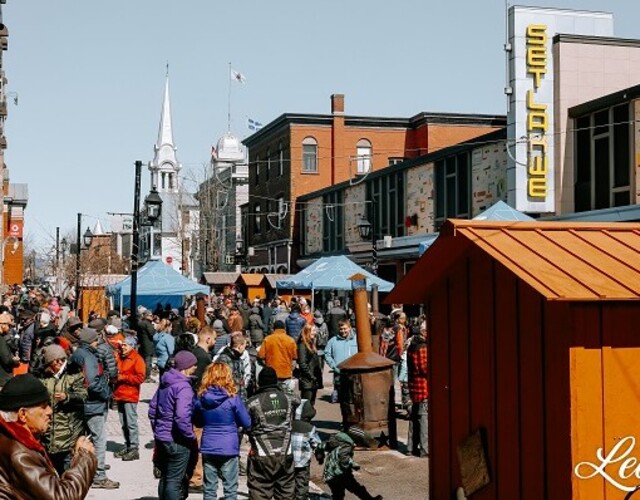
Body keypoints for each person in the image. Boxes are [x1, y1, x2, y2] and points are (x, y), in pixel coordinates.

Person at [0, 373, 97, 498]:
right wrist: (84, 457)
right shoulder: (20, 455)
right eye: (44, 407)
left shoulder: (11, 437)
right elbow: (63, 497)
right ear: (23, 414)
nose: (50, 411)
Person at [68, 327, 119, 489]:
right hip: (92, 403)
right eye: (97, 340)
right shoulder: (88, 357)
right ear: (91, 341)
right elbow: (91, 382)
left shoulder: (77, 354)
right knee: (99, 439)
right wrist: (107, 393)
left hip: (80, 402)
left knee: (83, 438)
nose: (98, 343)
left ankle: (88, 468)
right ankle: (99, 475)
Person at [193, 362, 251, 500]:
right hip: (228, 446)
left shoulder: (202, 399)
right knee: (230, 489)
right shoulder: (233, 399)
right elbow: (247, 422)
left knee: (209, 489)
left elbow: (197, 421)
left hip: (209, 445)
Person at [149, 350, 198, 500]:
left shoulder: (166, 382)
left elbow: (152, 410)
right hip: (177, 439)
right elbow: (182, 416)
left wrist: (157, 430)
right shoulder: (183, 387)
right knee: (174, 480)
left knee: (166, 476)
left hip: (163, 437)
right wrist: (190, 435)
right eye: (193, 365)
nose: (195, 368)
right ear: (186, 366)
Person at [245, 367, 299, 500]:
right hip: (286, 451)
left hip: (261, 453)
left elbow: (244, 421)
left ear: (259, 382)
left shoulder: (252, 402)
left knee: (259, 489)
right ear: (275, 381)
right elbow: (298, 401)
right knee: (286, 491)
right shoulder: (288, 399)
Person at [38, 344, 87, 475]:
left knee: (67, 473)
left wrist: (68, 397)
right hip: (49, 434)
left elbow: (83, 396)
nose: (60, 362)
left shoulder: (74, 374)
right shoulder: (43, 376)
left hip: (68, 432)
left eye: (62, 359)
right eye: (55, 360)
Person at [321, 431, 382, 500]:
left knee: (340, 493)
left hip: (331, 473)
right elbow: (343, 458)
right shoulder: (347, 445)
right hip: (339, 473)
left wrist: (319, 455)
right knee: (355, 488)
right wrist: (353, 464)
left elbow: (321, 445)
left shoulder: (337, 442)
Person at [113, 335, 146, 461]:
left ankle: (134, 447)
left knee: (131, 422)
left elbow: (140, 377)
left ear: (132, 346)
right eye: (122, 345)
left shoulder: (137, 359)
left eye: (125, 345)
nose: (123, 347)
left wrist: (123, 377)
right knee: (123, 423)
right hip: (120, 393)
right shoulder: (120, 356)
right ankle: (127, 445)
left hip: (130, 395)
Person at [291, 399, 321, 500]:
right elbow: (316, 443)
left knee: (289, 482)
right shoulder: (309, 428)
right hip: (302, 462)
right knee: (302, 483)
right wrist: (319, 455)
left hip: (288, 461)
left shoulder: (288, 425)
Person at [406, 321, 428, 457]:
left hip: (414, 387)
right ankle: (425, 450)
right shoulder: (423, 347)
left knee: (414, 419)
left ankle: (410, 448)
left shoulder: (412, 346)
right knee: (424, 420)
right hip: (424, 388)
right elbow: (425, 369)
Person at [324, 319, 358, 405]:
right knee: (343, 398)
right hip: (339, 372)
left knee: (354, 395)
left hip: (354, 372)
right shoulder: (333, 341)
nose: (343, 331)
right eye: (341, 329)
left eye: (345, 329)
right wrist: (334, 365)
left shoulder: (356, 339)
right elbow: (327, 354)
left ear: (350, 328)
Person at [257, 320, 297, 391]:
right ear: (284, 328)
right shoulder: (291, 340)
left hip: (271, 375)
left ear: (274, 329)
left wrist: (266, 365)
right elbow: (294, 358)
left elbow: (261, 355)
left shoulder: (268, 339)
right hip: (286, 373)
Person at [215, 333, 249, 401]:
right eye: (244, 347)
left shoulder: (239, 359)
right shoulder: (223, 359)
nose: (244, 350)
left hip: (239, 399)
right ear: (240, 346)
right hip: (229, 398)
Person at [297, 324, 323, 406]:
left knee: (311, 404)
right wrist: (311, 376)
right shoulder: (302, 345)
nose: (315, 333)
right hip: (308, 380)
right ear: (307, 332)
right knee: (306, 404)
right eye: (313, 331)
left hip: (312, 380)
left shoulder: (311, 344)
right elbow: (302, 363)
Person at [136, 308, 156, 381]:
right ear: (146, 316)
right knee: (148, 361)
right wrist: (155, 329)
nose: (152, 317)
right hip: (148, 344)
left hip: (141, 343)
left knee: (142, 361)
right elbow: (152, 333)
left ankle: (142, 374)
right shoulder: (147, 323)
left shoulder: (140, 323)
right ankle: (147, 377)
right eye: (150, 315)